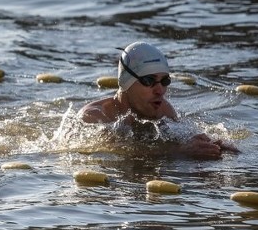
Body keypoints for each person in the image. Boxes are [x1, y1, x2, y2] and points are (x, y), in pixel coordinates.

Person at [78, 41, 237, 159]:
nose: (160, 90)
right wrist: (177, 152)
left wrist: (212, 145)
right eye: (149, 81)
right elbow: (111, 152)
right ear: (126, 82)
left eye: (165, 81)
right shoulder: (95, 116)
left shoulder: (163, 110)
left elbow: (185, 139)